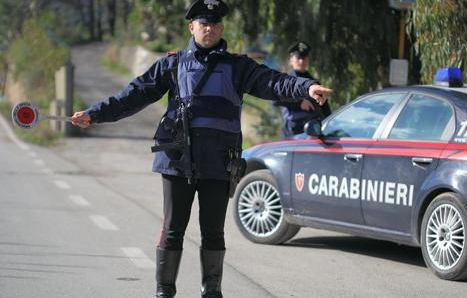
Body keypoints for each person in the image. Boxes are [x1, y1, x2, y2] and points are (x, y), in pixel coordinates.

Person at [70, 1, 332, 297]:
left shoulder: (238, 67)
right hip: (178, 161)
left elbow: (273, 81)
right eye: (203, 23)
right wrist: (95, 113)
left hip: (219, 164)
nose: (210, 28)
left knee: (213, 232)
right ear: (191, 27)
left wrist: (306, 87)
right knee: (172, 230)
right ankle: (164, 292)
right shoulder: (172, 64)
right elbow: (133, 95)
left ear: (221, 28)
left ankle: (212, 292)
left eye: (215, 23)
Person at [273, 42, 332, 138]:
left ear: (308, 60)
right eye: (298, 58)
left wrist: (330, 122)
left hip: (314, 128)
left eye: (304, 58)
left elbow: (324, 105)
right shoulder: (286, 80)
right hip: (294, 129)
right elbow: (275, 100)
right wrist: (299, 103)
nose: (301, 61)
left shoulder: (313, 82)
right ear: (291, 60)